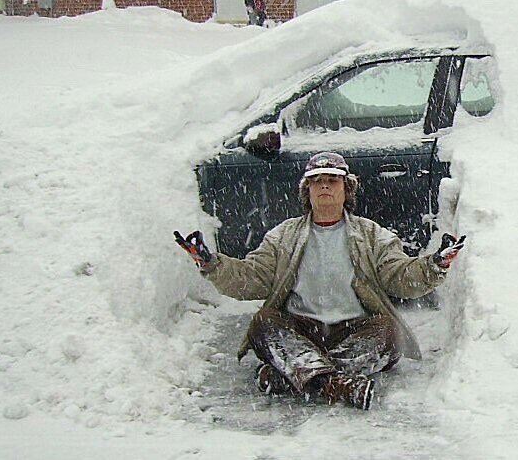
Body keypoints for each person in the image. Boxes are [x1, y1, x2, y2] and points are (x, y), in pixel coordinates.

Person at [179, 152, 464, 410]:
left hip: (354, 331)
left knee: (389, 331)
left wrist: (434, 265)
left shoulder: (372, 235)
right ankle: (335, 383)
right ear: (308, 191)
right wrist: (211, 263)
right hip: (302, 328)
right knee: (263, 323)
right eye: (317, 181)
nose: (324, 186)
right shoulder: (283, 236)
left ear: (346, 190)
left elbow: (400, 276)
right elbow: (251, 278)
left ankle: (297, 374)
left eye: (332, 181)